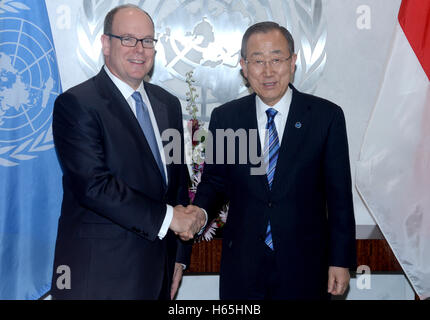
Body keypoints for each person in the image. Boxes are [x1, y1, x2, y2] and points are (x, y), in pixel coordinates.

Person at [190, 21, 356, 300]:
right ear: (243, 66)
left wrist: (340, 260)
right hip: (243, 267)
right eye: (257, 61)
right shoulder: (227, 118)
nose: (268, 71)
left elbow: (339, 197)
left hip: (306, 266)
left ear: (292, 62)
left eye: (276, 59)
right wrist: (199, 213)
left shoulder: (326, 117)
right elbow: (215, 182)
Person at [50, 4, 205, 300]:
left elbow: (177, 185)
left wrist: (180, 255)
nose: (140, 49)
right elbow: (94, 187)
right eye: (128, 39)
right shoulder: (77, 104)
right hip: (101, 278)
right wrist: (170, 219)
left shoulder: (167, 104)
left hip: (159, 273)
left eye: (148, 41)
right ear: (106, 44)